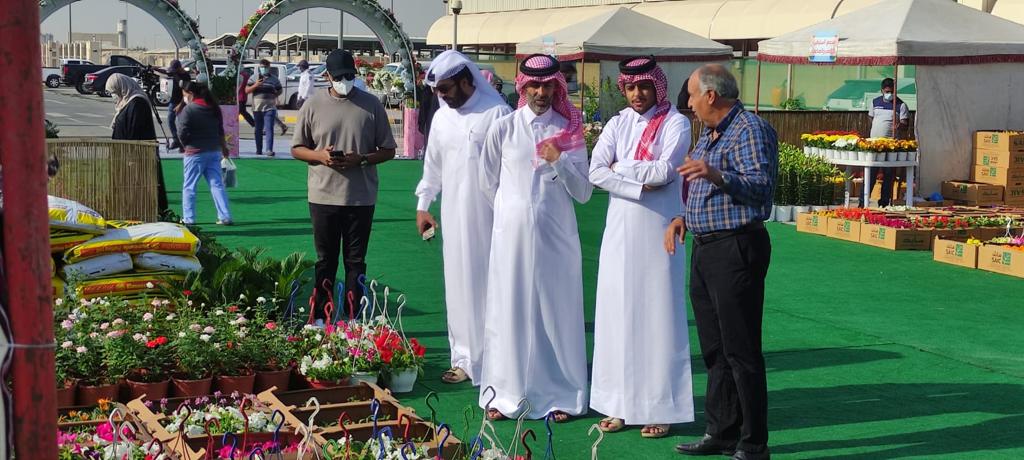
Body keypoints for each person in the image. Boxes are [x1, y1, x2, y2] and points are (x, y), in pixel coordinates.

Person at [667, 64, 777, 460]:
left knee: (741, 349)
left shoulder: (750, 129)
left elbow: (761, 188)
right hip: (706, 248)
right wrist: (685, 217)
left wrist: (716, 175)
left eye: (693, 95)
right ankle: (722, 430)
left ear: (711, 95)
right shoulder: (711, 133)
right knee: (715, 348)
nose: (690, 104)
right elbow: (705, 192)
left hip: (736, 248)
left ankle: (753, 443)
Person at [477, 54, 593, 422]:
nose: (541, 93)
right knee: (508, 310)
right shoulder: (504, 128)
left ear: (557, 87)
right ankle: (504, 394)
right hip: (510, 238)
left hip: (556, 237)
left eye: (547, 86)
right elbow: (487, 183)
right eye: (534, 86)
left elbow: (584, 192)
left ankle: (562, 395)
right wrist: (513, 215)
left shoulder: (568, 130)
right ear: (523, 87)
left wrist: (559, 160)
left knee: (555, 313)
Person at [588, 56, 694, 439]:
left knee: (657, 315)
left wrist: (620, 168)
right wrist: (635, 180)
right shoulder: (617, 123)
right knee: (617, 314)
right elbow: (595, 171)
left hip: (659, 230)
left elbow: (665, 172)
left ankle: (659, 407)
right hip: (619, 230)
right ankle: (618, 404)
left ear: (657, 86)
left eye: (644, 86)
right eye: (631, 87)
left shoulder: (676, 122)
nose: (637, 94)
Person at [414, 50, 512, 385]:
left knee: (491, 287)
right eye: (437, 90)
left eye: (446, 88)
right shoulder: (442, 118)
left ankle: (497, 361)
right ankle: (464, 360)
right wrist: (424, 205)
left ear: (466, 80)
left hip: (493, 218)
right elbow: (433, 167)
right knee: (457, 287)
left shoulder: (497, 113)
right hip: (454, 217)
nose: (442, 96)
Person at [291, 49, 397, 325]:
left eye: (349, 76)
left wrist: (361, 159)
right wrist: (320, 156)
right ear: (327, 76)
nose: (345, 81)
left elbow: (388, 150)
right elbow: (297, 148)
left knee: (355, 261)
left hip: (360, 197)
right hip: (323, 196)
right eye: (339, 77)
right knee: (325, 260)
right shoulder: (313, 104)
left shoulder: (371, 105)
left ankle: (353, 318)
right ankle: (320, 317)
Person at [106, 74, 168, 214]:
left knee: (140, 187)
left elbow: (135, 131)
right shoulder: (126, 103)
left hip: (137, 157)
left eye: (114, 91)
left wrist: (131, 156)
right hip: (125, 156)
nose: (113, 96)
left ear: (122, 88)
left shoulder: (137, 103)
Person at [176, 81, 233, 226]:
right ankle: (225, 216)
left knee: (189, 186)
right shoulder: (213, 108)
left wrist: (185, 145)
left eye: (184, 94)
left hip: (194, 152)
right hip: (214, 151)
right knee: (217, 184)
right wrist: (223, 147)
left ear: (191, 94)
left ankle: (189, 218)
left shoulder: (189, 110)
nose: (184, 97)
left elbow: (181, 131)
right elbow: (220, 130)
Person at [868, 77, 910, 207]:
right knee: (871, 173)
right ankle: (863, 201)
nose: (889, 94)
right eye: (887, 91)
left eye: (891, 91)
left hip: (891, 146)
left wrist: (900, 126)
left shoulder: (900, 105)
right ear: (882, 90)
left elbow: (905, 124)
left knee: (888, 174)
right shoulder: (875, 102)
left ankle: (884, 203)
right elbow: (871, 118)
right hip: (874, 144)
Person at [246, 59, 284, 157]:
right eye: (262, 67)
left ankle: (269, 149)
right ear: (259, 67)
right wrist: (256, 85)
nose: (263, 69)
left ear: (269, 67)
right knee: (258, 129)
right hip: (257, 108)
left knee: (269, 128)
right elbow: (247, 90)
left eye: (265, 67)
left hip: (270, 107)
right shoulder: (254, 77)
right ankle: (259, 149)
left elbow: (280, 90)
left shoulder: (274, 79)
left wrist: (274, 95)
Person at [159, 59, 190, 152]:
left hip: (182, 103)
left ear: (179, 68)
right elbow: (165, 71)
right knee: (170, 121)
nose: (174, 72)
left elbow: (186, 93)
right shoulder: (174, 72)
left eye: (175, 70)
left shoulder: (186, 77)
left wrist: (180, 105)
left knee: (182, 125)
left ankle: (183, 144)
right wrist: (155, 68)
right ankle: (176, 140)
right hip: (173, 102)